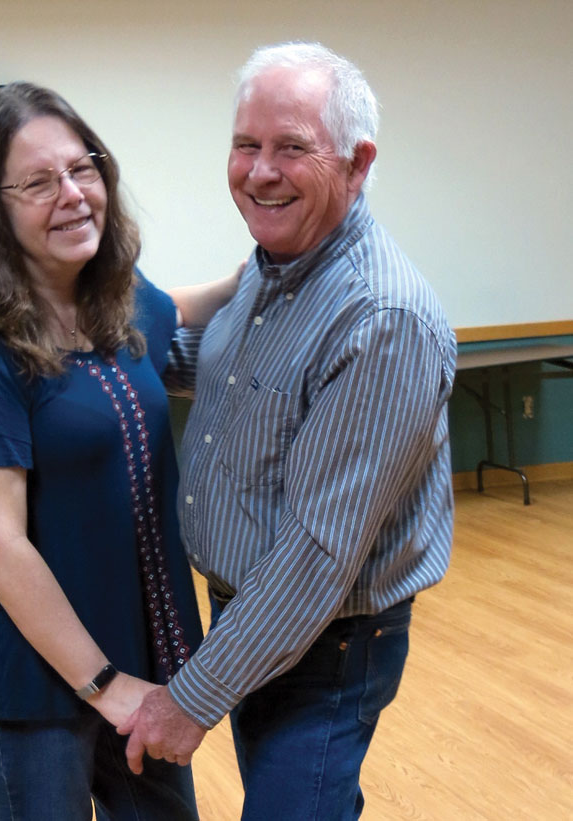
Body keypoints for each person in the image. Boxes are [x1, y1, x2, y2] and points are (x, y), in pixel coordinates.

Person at [121, 41, 457, 820]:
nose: (259, 171)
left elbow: (317, 552)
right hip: (251, 619)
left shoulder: (381, 319)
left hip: (325, 642)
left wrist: (191, 698)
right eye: (245, 145)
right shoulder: (272, 267)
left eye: (290, 148)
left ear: (357, 161)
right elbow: (210, 364)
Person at [0, 81, 236, 821]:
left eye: (82, 169)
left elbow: (177, 306)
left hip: (135, 651)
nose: (72, 195)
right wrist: (104, 686)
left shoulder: (107, 295)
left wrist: (275, 263)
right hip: (30, 678)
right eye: (39, 183)